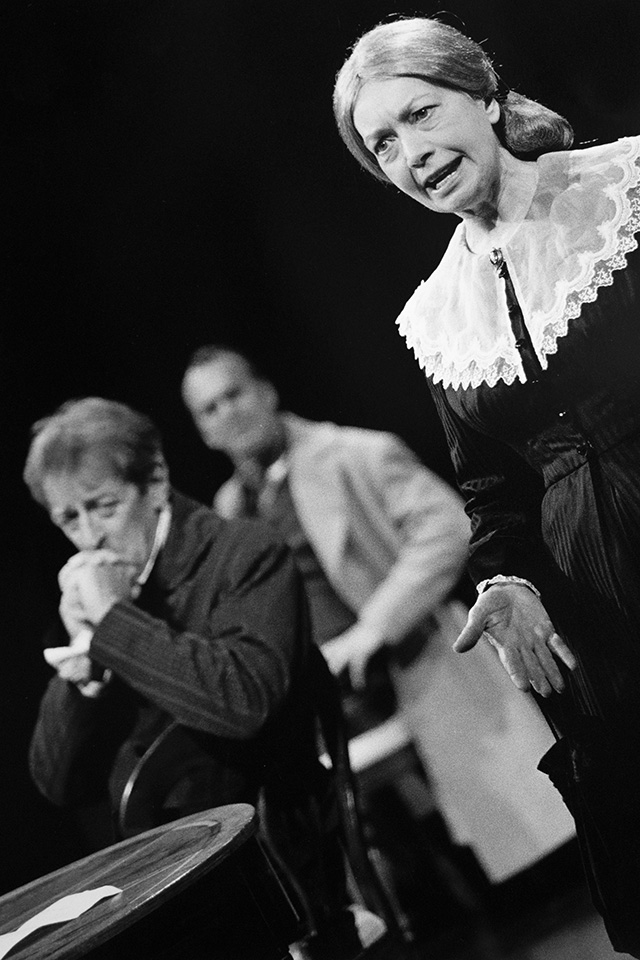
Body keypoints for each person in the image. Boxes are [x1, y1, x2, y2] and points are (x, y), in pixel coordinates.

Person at [333, 14, 640, 956]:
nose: (411, 152)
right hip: (598, 616)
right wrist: (505, 580)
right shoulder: (438, 316)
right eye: (383, 143)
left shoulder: (624, 187)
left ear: (485, 96)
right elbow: (491, 495)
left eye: (421, 115)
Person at [181, 345, 576, 925]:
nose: (228, 414)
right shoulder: (231, 506)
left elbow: (444, 528)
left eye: (234, 394)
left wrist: (374, 629)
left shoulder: (353, 454)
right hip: (330, 697)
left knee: (520, 849)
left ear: (265, 391)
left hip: (411, 661)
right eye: (208, 409)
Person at [24, 396, 378, 959]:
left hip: (272, 862)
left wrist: (117, 624)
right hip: (162, 873)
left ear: (157, 481)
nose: (89, 537)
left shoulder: (245, 554)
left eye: (104, 507)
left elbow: (241, 703)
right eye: (70, 518)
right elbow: (59, 782)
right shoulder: (95, 592)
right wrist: (83, 673)